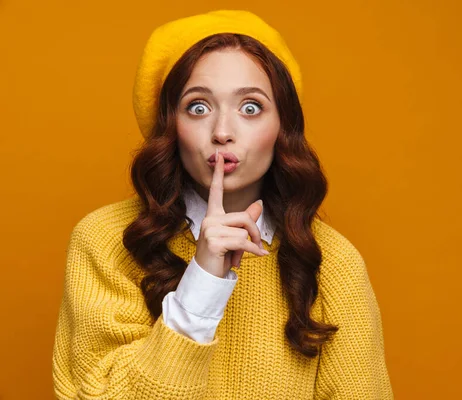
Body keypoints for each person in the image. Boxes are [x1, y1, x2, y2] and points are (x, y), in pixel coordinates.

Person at [52, 9, 394, 399]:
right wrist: (202, 283)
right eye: (198, 107)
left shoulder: (332, 262)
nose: (223, 132)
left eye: (251, 107)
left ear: (282, 127)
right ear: (170, 126)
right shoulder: (108, 241)